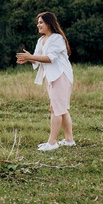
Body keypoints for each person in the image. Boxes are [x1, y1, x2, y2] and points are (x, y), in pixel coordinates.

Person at [16, 11, 75, 151]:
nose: (38, 25)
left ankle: (52, 142)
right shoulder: (41, 40)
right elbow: (37, 57)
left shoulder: (57, 38)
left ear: (49, 23)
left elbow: (50, 58)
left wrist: (31, 57)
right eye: (38, 22)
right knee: (59, 108)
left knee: (56, 108)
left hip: (61, 75)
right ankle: (69, 140)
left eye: (41, 22)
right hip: (51, 76)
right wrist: (27, 58)